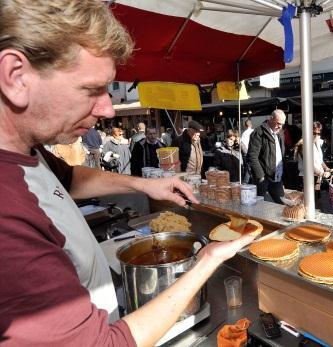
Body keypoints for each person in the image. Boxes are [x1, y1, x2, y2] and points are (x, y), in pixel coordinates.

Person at [0, 1, 255, 345]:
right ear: (16, 77)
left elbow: (71, 179)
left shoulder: (26, 151)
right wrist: (205, 262)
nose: (107, 108)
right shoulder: (7, 216)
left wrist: (148, 185)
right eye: (92, 89)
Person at [294, 122, 333, 210]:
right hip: (306, 179)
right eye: (314, 133)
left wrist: (328, 169)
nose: (316, 135)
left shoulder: (316, 144)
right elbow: (309, 164)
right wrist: (322, 173)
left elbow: (320, 161)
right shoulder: (303, 145)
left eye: (318, 133)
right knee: (306, 205)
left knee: (316, 203)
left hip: (316, 178)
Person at [247, 109, 286, 204]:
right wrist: (260, 176)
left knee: (282, 204)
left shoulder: (279, 133)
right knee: (259, 206)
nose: (280, 126)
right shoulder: (259, 132)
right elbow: (252, 156)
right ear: (271, 119)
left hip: (277, 176)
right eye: (278, 123)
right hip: (263, 178)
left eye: (282, 124)